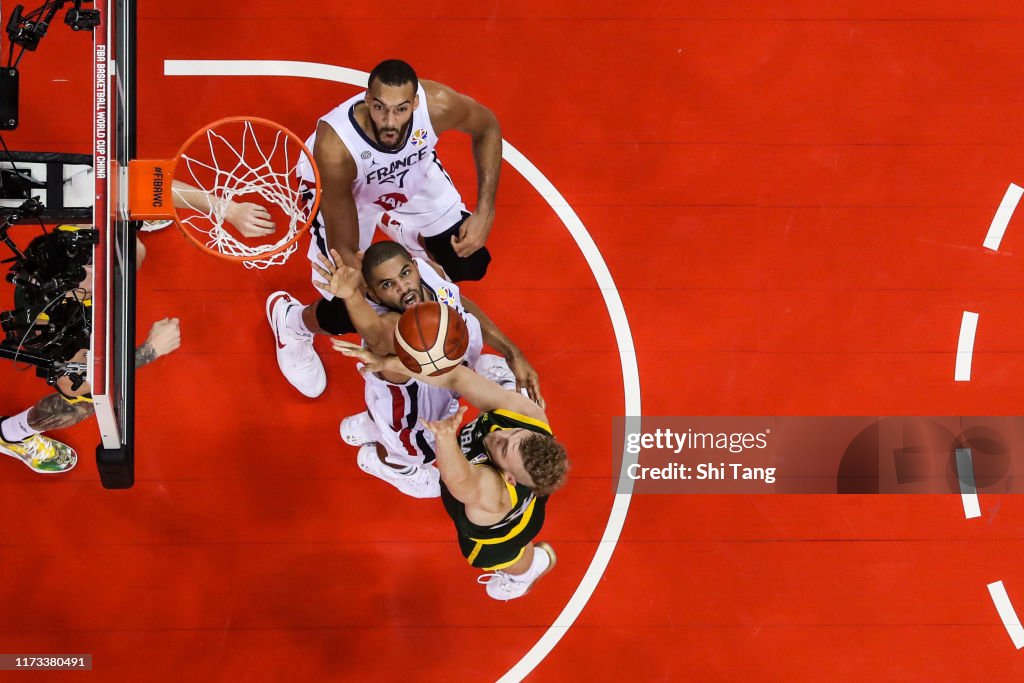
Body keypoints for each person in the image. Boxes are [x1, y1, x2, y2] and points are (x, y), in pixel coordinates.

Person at [267, 58, 503, 398]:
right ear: (366, 99)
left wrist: (485, 212)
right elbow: (346, 251)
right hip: (346, 194)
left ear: (416, 103)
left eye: (401, 109)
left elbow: (488, 126)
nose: (389, 121)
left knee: (468, 260)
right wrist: (376, 302)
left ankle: (405, 232)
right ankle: (290, 323)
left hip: (409, 177)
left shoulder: (438, 105)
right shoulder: (335, 147)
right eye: (379, 108)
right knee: (346, 303)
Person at [333, 339, 569, 601]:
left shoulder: (493, 493)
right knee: (505, 402)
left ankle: (523, 574)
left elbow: (457, 480)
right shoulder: (528, 417)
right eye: (512, 433)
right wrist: (394, 365)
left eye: (502, 448)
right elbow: (457, 377)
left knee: (512, 555)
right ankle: (504, 388)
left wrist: (445, 438)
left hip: (496, 537)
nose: (499, 434)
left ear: (510, 477)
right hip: (523, 487)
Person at [309, 240, 542, 498]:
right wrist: (352, 296)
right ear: (374, 295)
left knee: (487, 369)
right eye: (387, 285)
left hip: (448, 377)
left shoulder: (429, 271)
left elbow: (462, 305)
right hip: (413, 410)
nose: (403, 287)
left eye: (405, 273)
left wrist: (513, 353)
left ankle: (369, 424)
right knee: (416, 453)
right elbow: (375, 334)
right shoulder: (391, 332)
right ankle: (391, 466)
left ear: (414, 266)